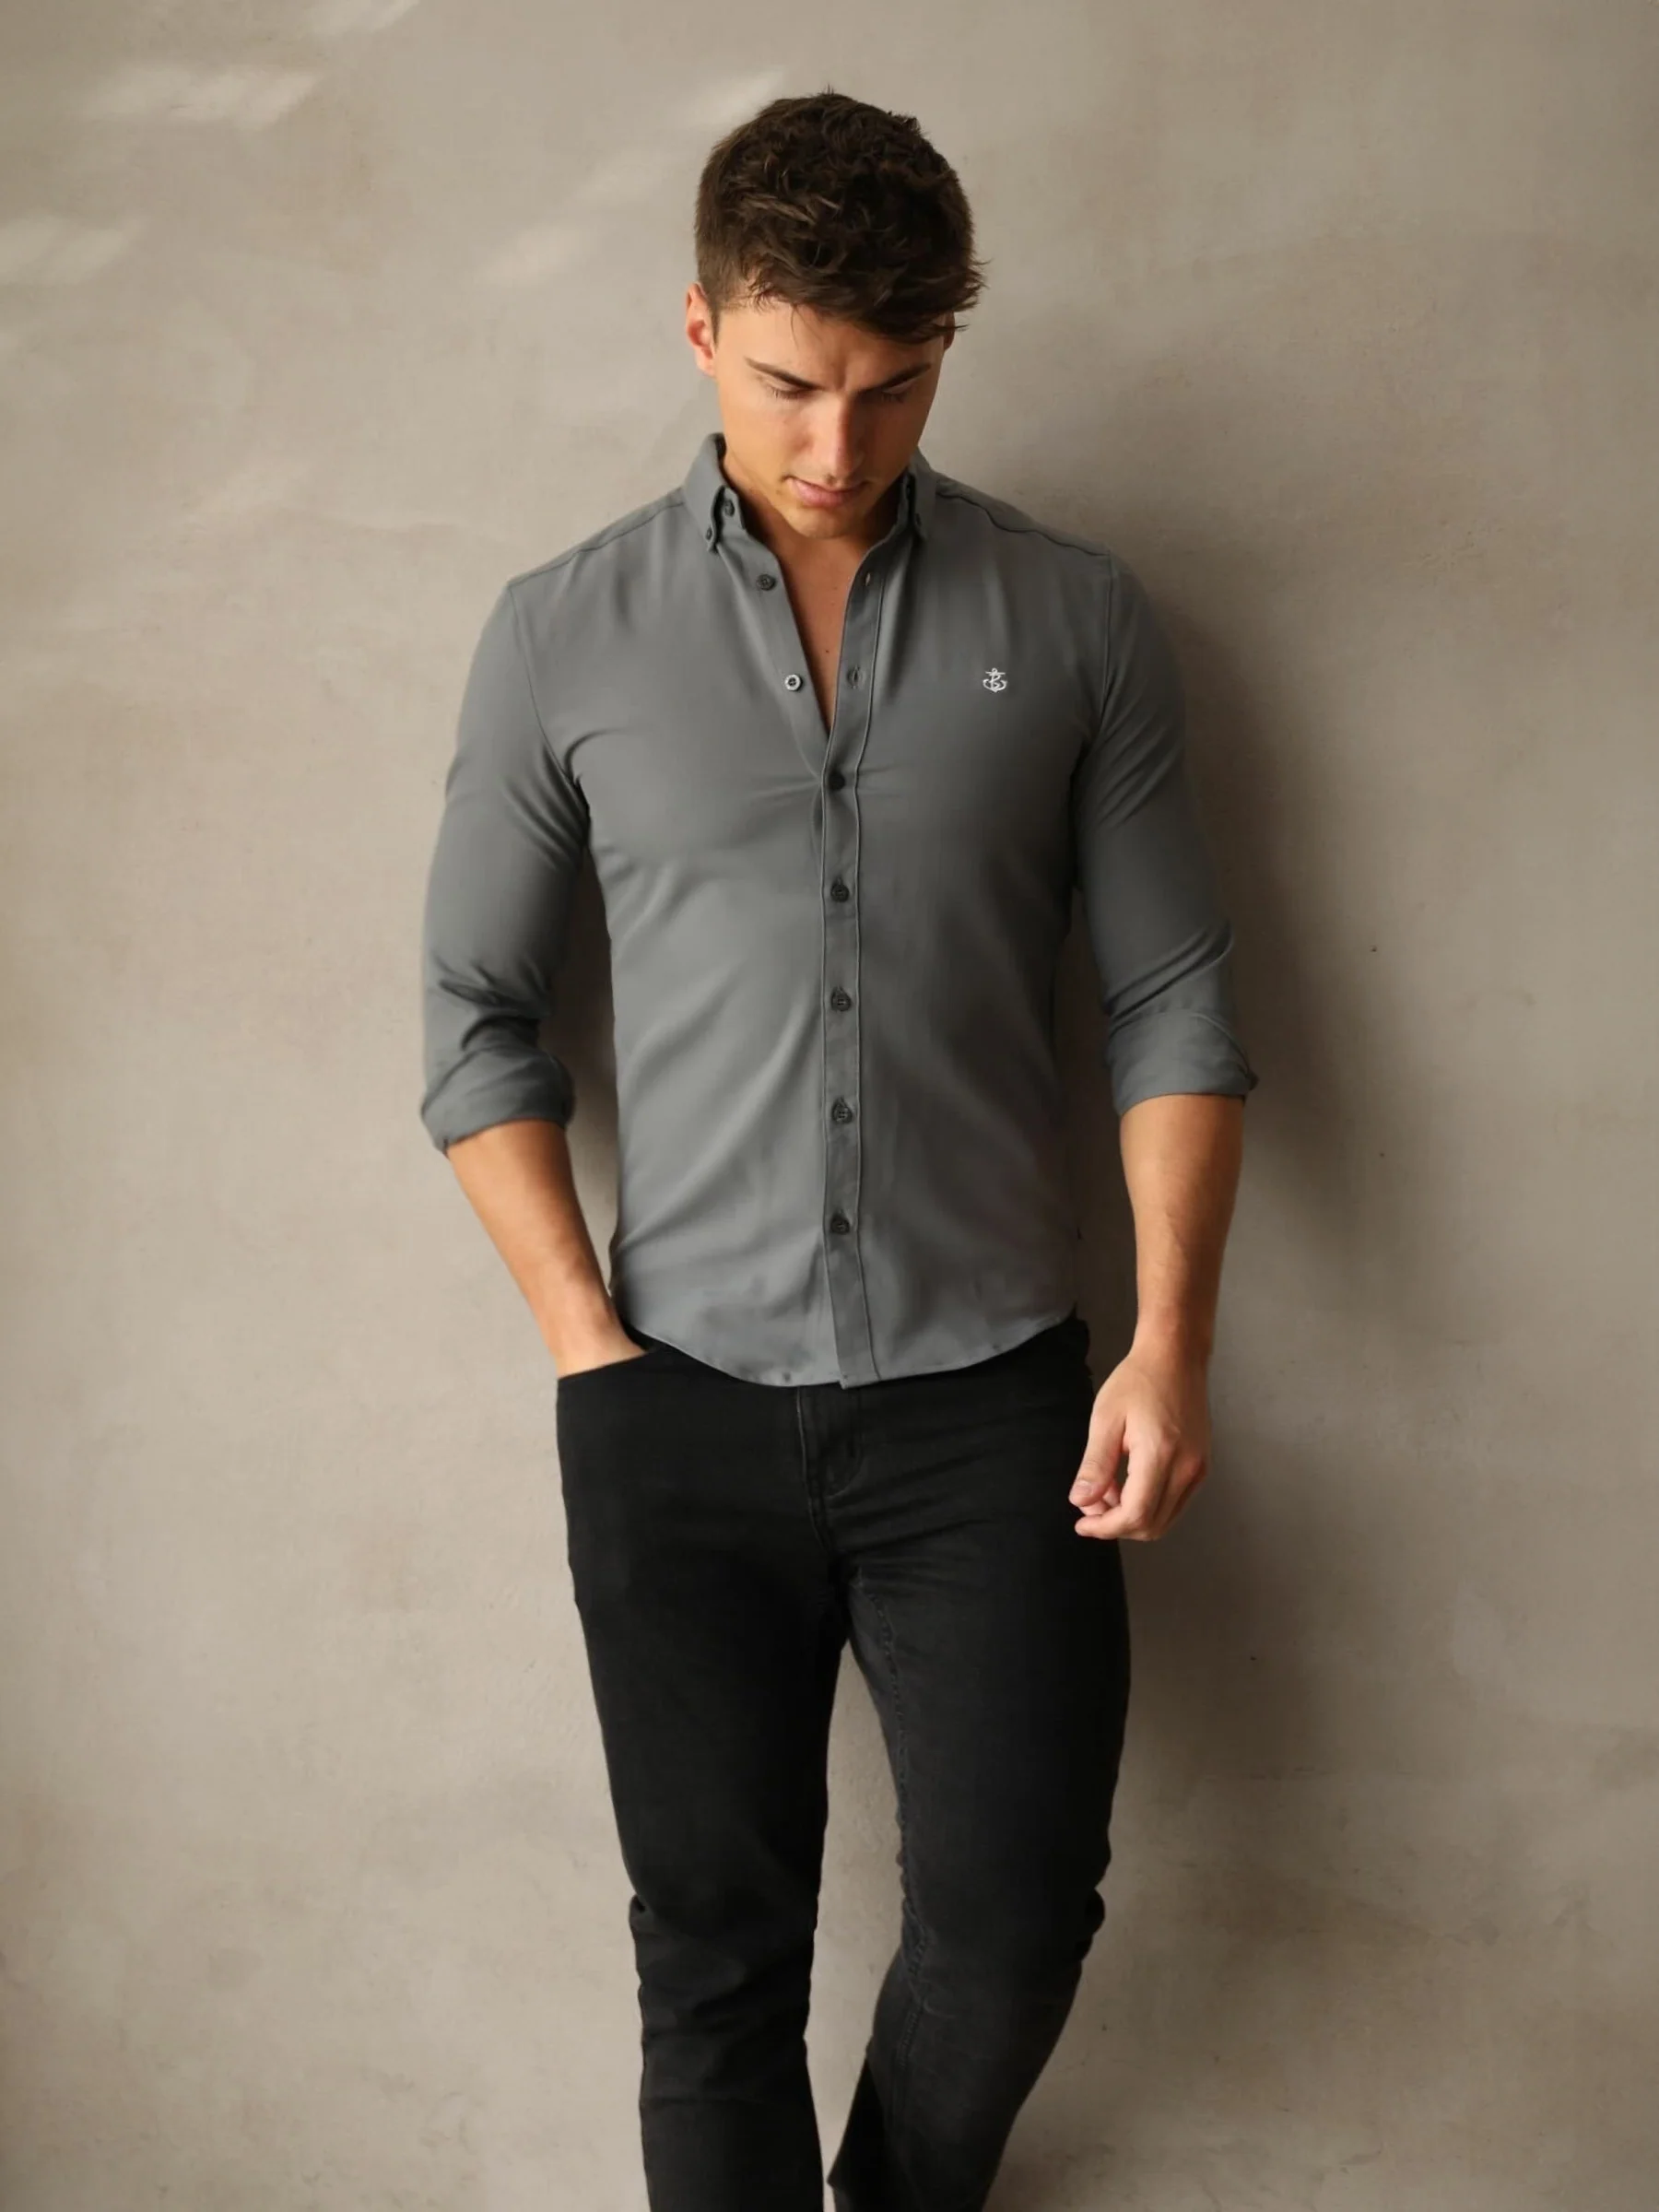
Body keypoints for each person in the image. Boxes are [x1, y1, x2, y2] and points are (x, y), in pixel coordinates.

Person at [418, 87, 1258, 2212]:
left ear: (944, 350)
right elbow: (474, 1022)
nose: (835, 443)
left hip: (995, 1407)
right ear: (702, 327)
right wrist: (587, 1346)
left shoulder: (1078, 618)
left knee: (1016, 1917)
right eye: (793, 381)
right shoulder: (561, 631)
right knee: (712, 1963)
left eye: (891, 387)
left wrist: (1170, 1343)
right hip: (673, 1400)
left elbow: (1173, 999)